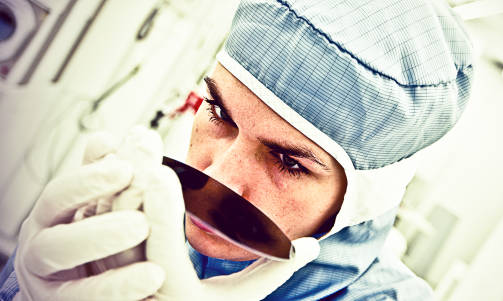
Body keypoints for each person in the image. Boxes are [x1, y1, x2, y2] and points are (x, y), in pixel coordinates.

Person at [0, 0, 473, 299]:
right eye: (219, 113)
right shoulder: (108, 229)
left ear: (361, 200)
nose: (218, 177)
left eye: (289, 161)